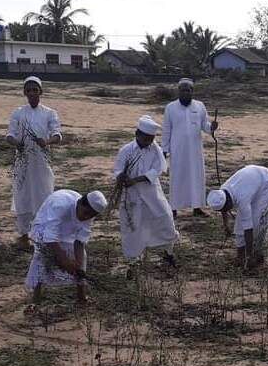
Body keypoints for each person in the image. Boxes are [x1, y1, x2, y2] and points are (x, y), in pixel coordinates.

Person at [113, 115, 179, 270]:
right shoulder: (126, 150)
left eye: (151, 138)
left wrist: (136, 180)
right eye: (146, 138)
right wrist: (122, 177)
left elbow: (158, 170)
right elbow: (118, 169)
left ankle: (168, 253)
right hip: (131, 196)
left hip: (151, 193)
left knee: (165, 218)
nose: (149, 141)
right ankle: (133, 260)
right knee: (132, 226)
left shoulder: (155, 150)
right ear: (137, 134)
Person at [25, 189, 107, 305]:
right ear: (79, 203)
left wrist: (78, 266)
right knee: (42, 257)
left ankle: (81, 296)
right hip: (45, 226)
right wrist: (64, 260)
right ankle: (35, 300)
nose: (86, 217)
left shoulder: (89, 213)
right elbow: (50, 237)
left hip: (67, 229)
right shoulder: (60, 205)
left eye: (91, 216)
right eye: (85, 213)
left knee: (81, 257)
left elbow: (80, 241)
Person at [6, 76, 62, 248]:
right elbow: (10, 135)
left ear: (40, 92)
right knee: (22, 196)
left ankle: (42, 234)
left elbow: (57, 134)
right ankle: (24, 235)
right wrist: (17, 143)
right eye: (28, 90)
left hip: (41, 162)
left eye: (35, 90)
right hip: (22, 162)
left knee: (43, 194)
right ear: (24, 92)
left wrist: (46, 141)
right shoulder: (18, 113)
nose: (31, 93)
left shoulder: (50, 113)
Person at [207, 165, 268, 269]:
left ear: (228, 203)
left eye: (225, 209)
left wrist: (249, 256)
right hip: (252, 180)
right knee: (240, 223)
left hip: (266, 182)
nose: (225, 211)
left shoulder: (242, 199)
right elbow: (223, 208)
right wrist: (226, 225)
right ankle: (240, 256)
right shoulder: (222, 192)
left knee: (257, 221)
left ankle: (257, 255)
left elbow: (248, 229)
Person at [162, 78, 218, 218]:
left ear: (192, 91)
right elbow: (166, 130)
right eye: (183, 90)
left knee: (196, 177)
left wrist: (212, 127)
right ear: (178, 91)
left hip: (195, 151)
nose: (185, 93)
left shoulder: (199, 106)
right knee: (177, 178)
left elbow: (204, 125)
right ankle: (173, 208)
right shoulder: (170, 108)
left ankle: (197, 207)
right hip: (177, 150)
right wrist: (165, 149)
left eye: (188, 90)